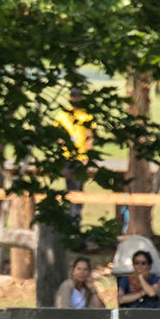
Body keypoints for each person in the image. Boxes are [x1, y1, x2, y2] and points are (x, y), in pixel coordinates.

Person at [54, 88, 94, 227]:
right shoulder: (63, 115)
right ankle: (70, 216)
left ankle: (76, 218)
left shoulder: (86, 115)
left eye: (77, 96)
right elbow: (58, 136)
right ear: (70, 98)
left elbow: (90, 136)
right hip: (67, 156)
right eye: (73, 96)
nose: (75, 99)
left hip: (80, 157)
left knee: (78, 187)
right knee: (69, 187)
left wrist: (87, 156)